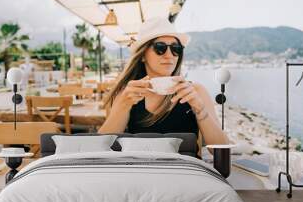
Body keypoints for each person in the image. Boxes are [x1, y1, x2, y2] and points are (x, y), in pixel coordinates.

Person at [98, 18, 229, 152]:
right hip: (142, 170)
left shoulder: (195, 91)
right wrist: (123, 106)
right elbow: (101, 147)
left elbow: (222, 151)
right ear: (143, 55)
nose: (169, 55)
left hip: (184, 170)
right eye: (160, 48)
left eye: (175, 49)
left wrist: (201, 110)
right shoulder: (129, 94)